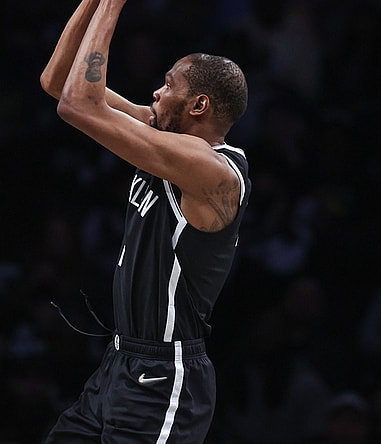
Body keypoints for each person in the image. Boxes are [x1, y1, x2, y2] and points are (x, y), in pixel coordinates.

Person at [40, 0, 250, 442]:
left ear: (199, 104)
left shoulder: (211, 169)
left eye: (168, 84)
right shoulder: (162, 133)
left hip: (165, 374)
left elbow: (78, 105)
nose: (156, 93)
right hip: (120, 362)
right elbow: (58, 84)